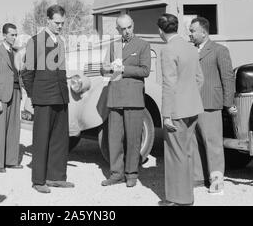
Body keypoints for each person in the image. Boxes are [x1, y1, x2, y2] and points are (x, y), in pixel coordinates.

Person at [21, 4, 74, 194]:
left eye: (62, 23)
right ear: (48, 21)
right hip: (43, 98)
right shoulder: (35, 41)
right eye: (57, 23)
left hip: (61, 96)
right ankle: (38, 180)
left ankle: (56, 177)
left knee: (60, 139)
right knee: (41, 139)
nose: (60, 26)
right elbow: (27, 73)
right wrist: (33, 96)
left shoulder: (61, 42)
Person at [157, 13, 204, 206]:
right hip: (193, 107)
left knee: (175, 154)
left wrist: (166, 114)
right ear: (176, 27)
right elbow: (200, 79)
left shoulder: (168, 50)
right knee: (186, 152)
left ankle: (179, 199)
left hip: (176, 110)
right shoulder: (191, 48)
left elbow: (169, 84)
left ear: (160, 31)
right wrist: (190, 96)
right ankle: (188, 194)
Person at [100, 14, 151, 187]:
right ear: (117, 29)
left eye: (129, 27)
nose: (126, 31)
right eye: (122, 28)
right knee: (114, 139)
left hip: (133, 97)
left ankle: (131, 174)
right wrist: (105, 68)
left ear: (133, 25)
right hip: (115, 96)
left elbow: (145, 71)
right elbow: (104, 68)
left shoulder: (143, 45)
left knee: (133, 138)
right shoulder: (113, 45)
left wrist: (123, 68)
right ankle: (116, 173)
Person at [189, 17, 236, 194]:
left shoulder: (219, 50)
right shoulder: (190, 50)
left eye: (193, 30)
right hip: (192, 104)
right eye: (190, 30)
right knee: (195, 142)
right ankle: (199, 177)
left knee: (213, 143)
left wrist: (228, 103)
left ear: (204, 32)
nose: (190, 33)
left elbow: (227, 77)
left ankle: (216, 181)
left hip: (210, 103)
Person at [0, 23, 23, 173]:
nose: (14, 38)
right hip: (1, 95)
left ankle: (11, 160)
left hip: (16, 93)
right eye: (11, 35)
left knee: (14, 128)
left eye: (16, 35)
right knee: (0, 129)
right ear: (4, 35)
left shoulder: (16, 53)